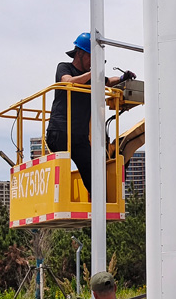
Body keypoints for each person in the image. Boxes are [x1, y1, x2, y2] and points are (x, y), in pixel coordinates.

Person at [46, 32, 135, 197]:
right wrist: (93, 74)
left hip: (79, 137)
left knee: (94, 175)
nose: (92, 63)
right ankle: (60, 200)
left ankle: (100, 204)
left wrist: (123, 77)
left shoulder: (91, 77)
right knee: (61, 173)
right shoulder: (64, 67)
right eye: (91, 57)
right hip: (59, 132)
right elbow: (67, 81)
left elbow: (109, 81)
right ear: (79, 53)